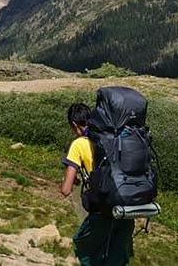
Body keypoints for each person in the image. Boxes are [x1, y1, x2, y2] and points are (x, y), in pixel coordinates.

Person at [60, 102, 135, 266]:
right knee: (117, 259)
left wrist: (70, 182)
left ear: (74, 125)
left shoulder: (79, 144)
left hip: (103, 211)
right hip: (127, 209)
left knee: (85, 249)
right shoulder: (116, 139)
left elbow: (66, 189)